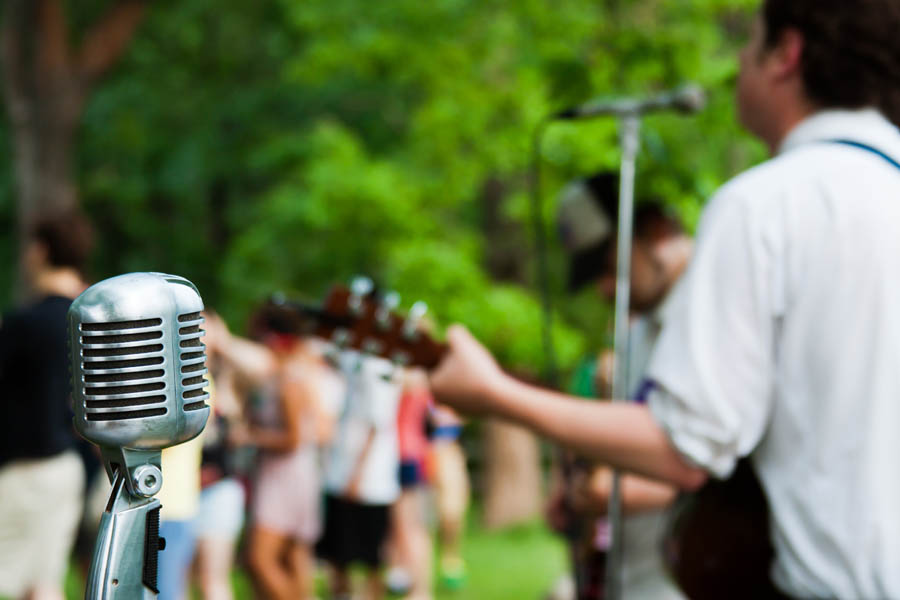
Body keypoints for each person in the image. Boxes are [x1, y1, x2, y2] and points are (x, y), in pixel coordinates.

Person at [430, 1, 900, 597]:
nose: (736, 64)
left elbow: (686, 450)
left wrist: (497, 395)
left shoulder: (766, 205)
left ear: (787, 54)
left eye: (749, 43)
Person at [551, 174, 692, 600]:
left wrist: (614, 492)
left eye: (611, 268)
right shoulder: (637, 333)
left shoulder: (713, 314)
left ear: (656, 232)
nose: (604, 289)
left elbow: (705, 462)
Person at [0, 212, 93, 600]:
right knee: (45, 582)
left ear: (40, 252)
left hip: (27, 469)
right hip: (70, 467)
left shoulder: (27, 322)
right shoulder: (92, 319)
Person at [227, 302, 330, 600]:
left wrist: (251, 437)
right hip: (287, 474)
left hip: (286, 477)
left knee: (258, 560)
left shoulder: (289, 382)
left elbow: (294, 439)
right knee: (291, 558)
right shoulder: (281, 376)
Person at [318, 350, 403, 600]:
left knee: (370, 556)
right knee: (340, 551)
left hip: (367, 481)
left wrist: (356, 475)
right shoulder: (355, 358)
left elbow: (377, 422)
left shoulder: (377, 366)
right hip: (343, 473)